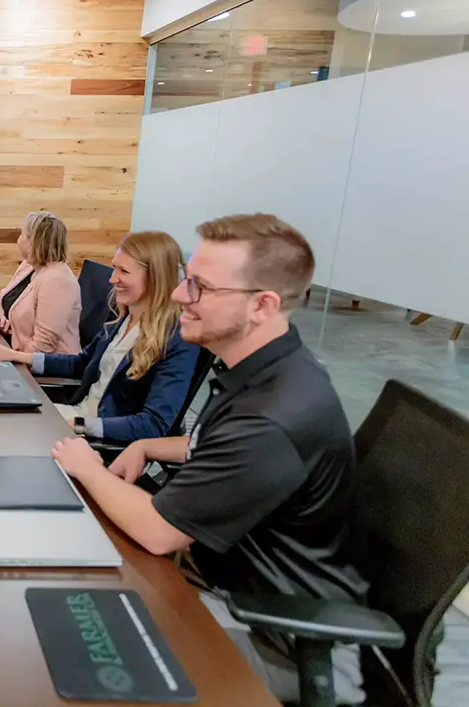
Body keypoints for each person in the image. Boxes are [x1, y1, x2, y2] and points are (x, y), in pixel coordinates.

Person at [48, 214, 367, 703]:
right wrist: (148, 444)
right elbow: (206, 444)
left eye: (198, 287)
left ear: (262, 305)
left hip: (276, 635)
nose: (178, 296)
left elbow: (159, 532)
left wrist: (87, 466)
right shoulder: (265, 370)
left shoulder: (272, 415)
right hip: (218, 585)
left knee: (71, 647)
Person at [0, 230, 198, 443]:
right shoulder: (124, 320)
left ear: (155, 277)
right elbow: (80, 363)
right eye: (114, 269)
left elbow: (154, 424)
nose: (113, 279)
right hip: (75, 417)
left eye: (124, 271)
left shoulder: (177, 339)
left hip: (94, 433)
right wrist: (17, 356)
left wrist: (80, 425)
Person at [0, 211, 82, 355]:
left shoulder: (58, 281)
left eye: (22, 234)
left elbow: (42, 346)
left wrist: (12, 360)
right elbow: (2, 296)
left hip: (47, 369)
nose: (18, 239)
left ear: (33, 241)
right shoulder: (29, 266)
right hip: (15, 350)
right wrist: (0, 317)